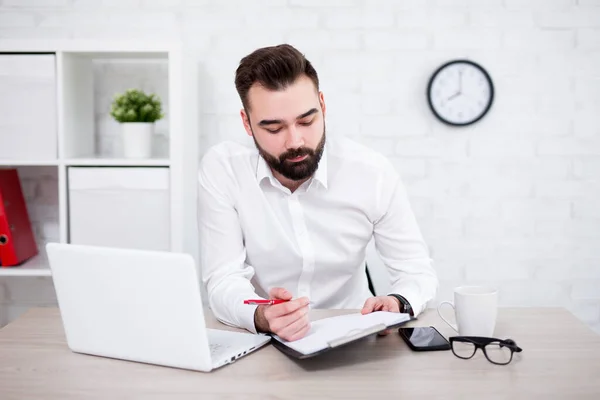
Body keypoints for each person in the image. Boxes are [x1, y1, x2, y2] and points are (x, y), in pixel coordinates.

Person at [198, 44, 438, 342]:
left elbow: (416, 271)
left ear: (322, 106)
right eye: (274, 128)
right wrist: (261, 314)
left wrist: (398, 301)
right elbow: (223, 278)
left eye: (306, 121)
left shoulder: (371, 172)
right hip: (265, 343)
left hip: (355, 339)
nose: (295, 141)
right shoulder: (223, 169)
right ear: (247, 123)